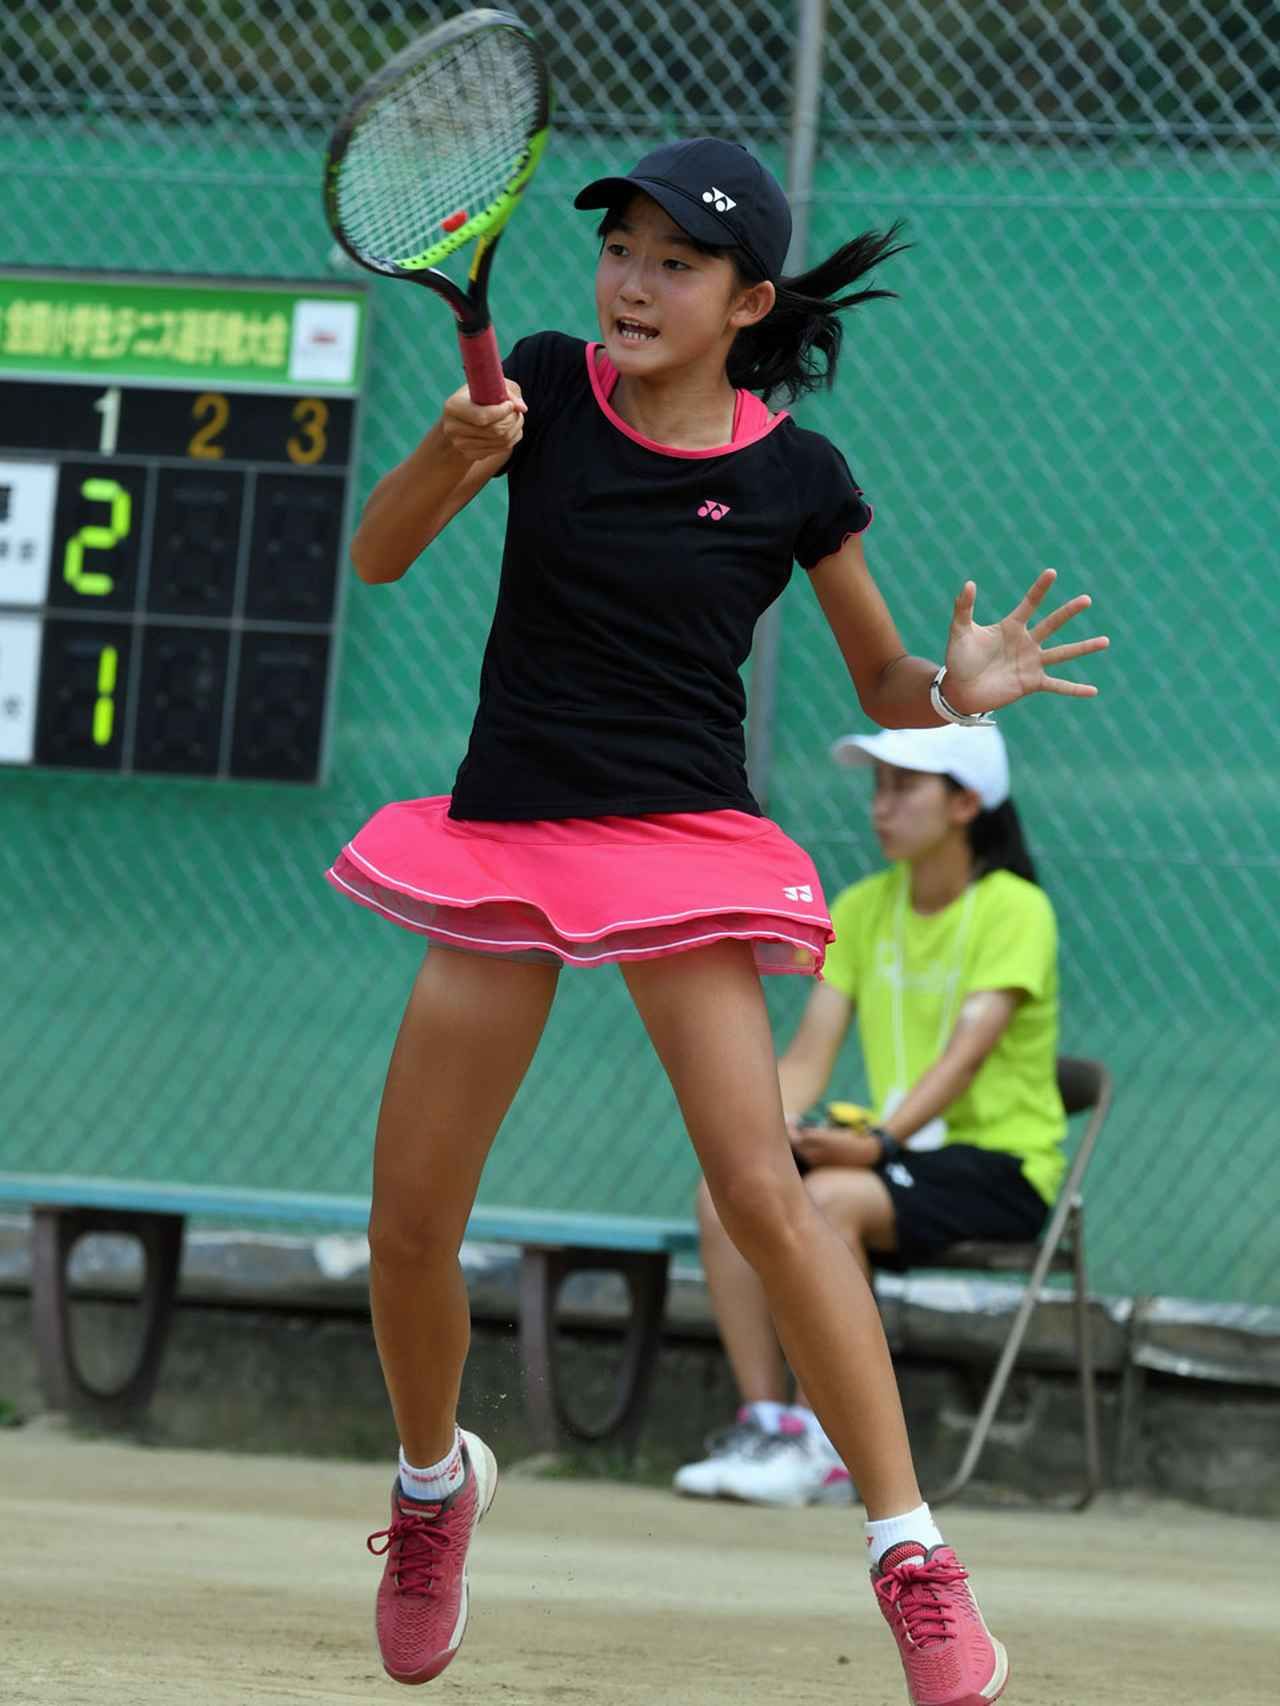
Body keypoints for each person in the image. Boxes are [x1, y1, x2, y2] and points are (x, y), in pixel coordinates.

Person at [326, 137, 1107, 1705]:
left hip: (681, 849)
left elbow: (885, 676)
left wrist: (958, 689)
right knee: (409, 1223)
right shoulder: (541, 386)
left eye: (675, 263)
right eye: (620, 247)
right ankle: (431, 1490)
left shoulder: (795, 476)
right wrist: (456, 453)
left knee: (765, 1191)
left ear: (749, 302)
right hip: (509, 834)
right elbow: (382, 552)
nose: (632, 280)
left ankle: (914, 1557)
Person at [676, 722, 1068, 1511]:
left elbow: (965, 1056)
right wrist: (765, 1132)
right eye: (878, 788)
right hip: (894, 1159)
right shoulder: (861, 907)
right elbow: (808, 1056)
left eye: (903, 789)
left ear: (966, 803)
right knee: (728, 1192)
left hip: (1002, 1168)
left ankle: (832, 1447)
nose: (881, 807)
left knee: (828, 1200)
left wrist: (881, 1141)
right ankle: (772, 1426)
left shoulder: (1017, 909)